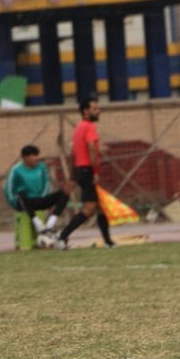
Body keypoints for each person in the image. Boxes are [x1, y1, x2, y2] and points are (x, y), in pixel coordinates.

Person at [56, 96, 115, 249]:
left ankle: (108, 242)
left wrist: (73, 174)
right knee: (89, 209)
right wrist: (95, 171)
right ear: (85, 111)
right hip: (87, 170)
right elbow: (92, 148)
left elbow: (73, 153)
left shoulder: (78, 127)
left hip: (80, 170)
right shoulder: (89, 127)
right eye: (95, 109)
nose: (98, 111)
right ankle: (62, 237)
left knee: (100, 206)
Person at [4, 144, 69, 243]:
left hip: (39, 200)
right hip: (22, 202)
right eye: (34, 155)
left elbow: (46, 183)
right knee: (21, 193)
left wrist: (42, 198)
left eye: (37, 155)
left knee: (64, 193)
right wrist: (14, 203)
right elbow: (9, 190)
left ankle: (50, 225)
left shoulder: (41, 167)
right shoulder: (16, 170)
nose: (37, 158)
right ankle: (39, 226)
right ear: (26, 157)